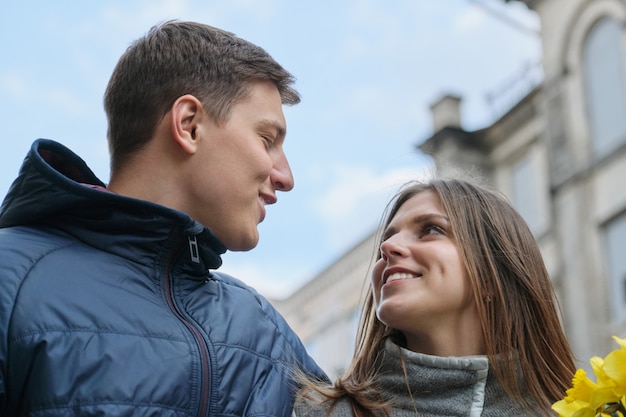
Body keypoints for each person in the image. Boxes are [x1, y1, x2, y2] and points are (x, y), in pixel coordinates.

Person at [0, 20, 326, 416]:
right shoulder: (10, 277)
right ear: (189, 125)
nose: (286, 177)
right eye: (267, 140)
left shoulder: (263, 328)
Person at [295, 178, 576, 417]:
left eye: (430, 229)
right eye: (388, 237)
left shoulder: (582, 410)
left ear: (491, 275)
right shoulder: (321, 413)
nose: (388, 246)